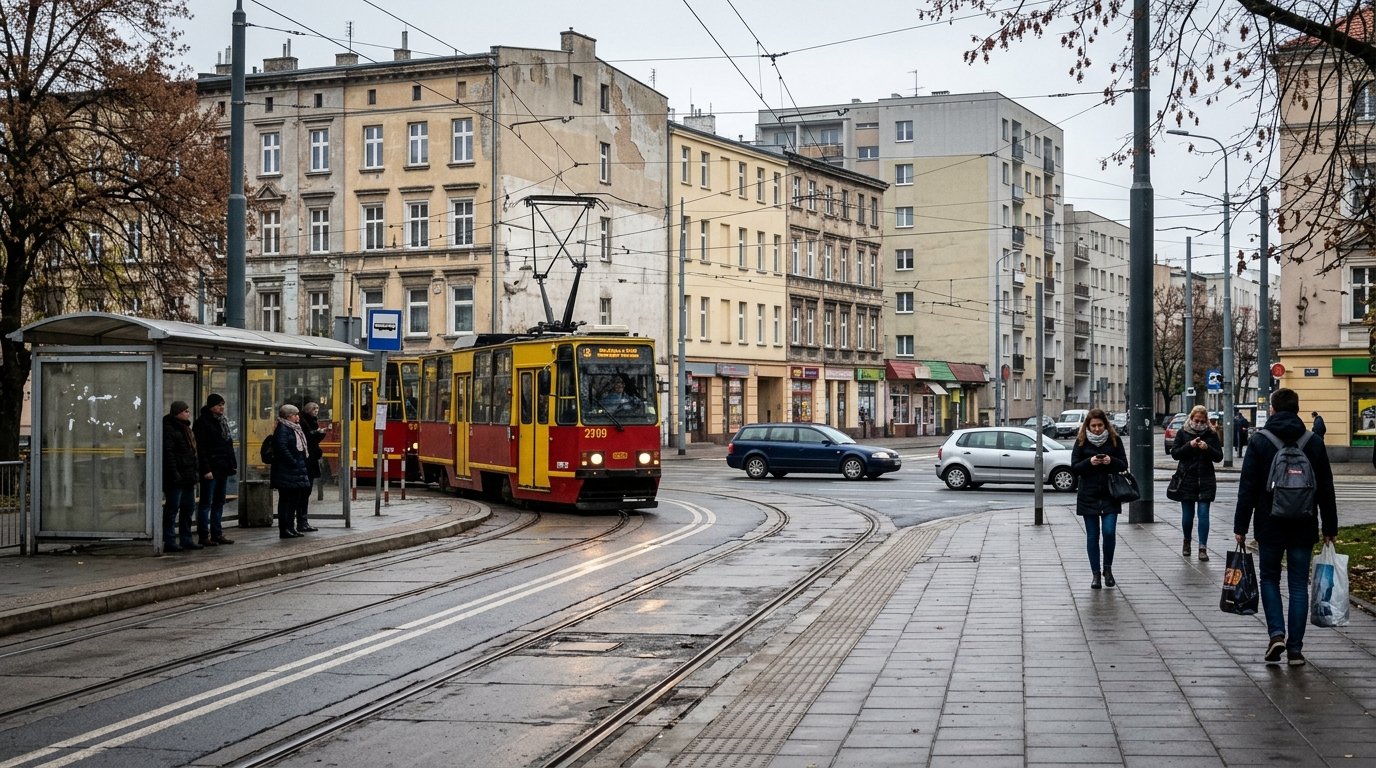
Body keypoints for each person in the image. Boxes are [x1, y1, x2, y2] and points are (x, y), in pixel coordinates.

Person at [1234, 388, 1338, 666]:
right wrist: (1330, 527)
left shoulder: (1260, 441)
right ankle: (1295, 650)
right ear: (1297, 409)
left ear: (1273, 409)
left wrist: (1240, 525)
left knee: (1269, 578)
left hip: (1269, 523)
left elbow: (1247, 487)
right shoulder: (1313, 441)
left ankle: (1276, 634)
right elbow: (1326, 488)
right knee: (1298, 584)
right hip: (1304, 523)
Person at [1070, 408, 1128, 590]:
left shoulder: (1114, 440)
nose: (1096, 429)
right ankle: (1095, 574)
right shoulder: (1081, 442)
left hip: (1110, 493)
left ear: (1105, 425)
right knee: (1093, 535)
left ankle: (1107, 569)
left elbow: (1124, 464)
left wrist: (1111, 461)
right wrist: (1089, 462)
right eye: (1093, 426)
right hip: (1088, 494)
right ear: (1087, 426)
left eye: (1100, 425)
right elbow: (1074, 467)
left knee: (1109, 532)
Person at [1171, 405, 1223, 561]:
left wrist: (1207, 448)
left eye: (1202, 421)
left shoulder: (1211, 435)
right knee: (1188, 515)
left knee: (1203, 513)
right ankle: (1187, 541)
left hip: (1206, 479)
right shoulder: (1183, 432)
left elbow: (1218, 456)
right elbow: (1175, 453)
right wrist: (1190, 445)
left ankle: (1202, 547)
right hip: (1187, 479)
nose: (1199, 423)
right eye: (1196, 420)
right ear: (1191, 419)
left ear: (1206, 421)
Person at [192, 393, 237, 546]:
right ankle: (204, 535)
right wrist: (206, 469)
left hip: (223, 467)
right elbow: (201, 449)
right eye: (219, 405)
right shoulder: (202, 423)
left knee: (219, 501)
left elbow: (228, 445)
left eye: (223, 404)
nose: (221, 407)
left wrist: (232, 464)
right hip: (211, 468)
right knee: (206, 502)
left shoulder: (223, 422)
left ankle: (217, 533)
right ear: (211, 406)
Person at [162, 401, 202, 552]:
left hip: (187, 476)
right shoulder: (170, 429)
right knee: (172, 509)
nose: (188, 413)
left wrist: (195, 472)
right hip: (176, 477)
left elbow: (192, 454)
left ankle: (186, 539)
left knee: (188, 508)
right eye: (185, 411)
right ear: (177, 413)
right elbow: (169, 454)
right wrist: (175, 474)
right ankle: (169, 540)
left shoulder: (186, 429)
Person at [270, 403, 312, 539]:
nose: (298, 417)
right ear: (288, 416)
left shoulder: (294, 428)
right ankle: (284, 529)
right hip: (286, 471)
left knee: (294, 501)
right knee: (286, 501)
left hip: (295, 470)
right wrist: (293, 461)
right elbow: (281, 448)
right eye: (295, 415)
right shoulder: (283, 429)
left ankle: (291, 527)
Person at [298, 401, 326, 533]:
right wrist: (318, 433)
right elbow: (308, 439)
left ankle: (303, 521)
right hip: (307, 461)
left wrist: (319, 433)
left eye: (317, 409)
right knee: (303, 493)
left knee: (306, 492)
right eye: (314, 409)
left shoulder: (311, 421)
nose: (316, 411)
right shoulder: (304, 422)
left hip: (310, 460)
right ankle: (301, 522)